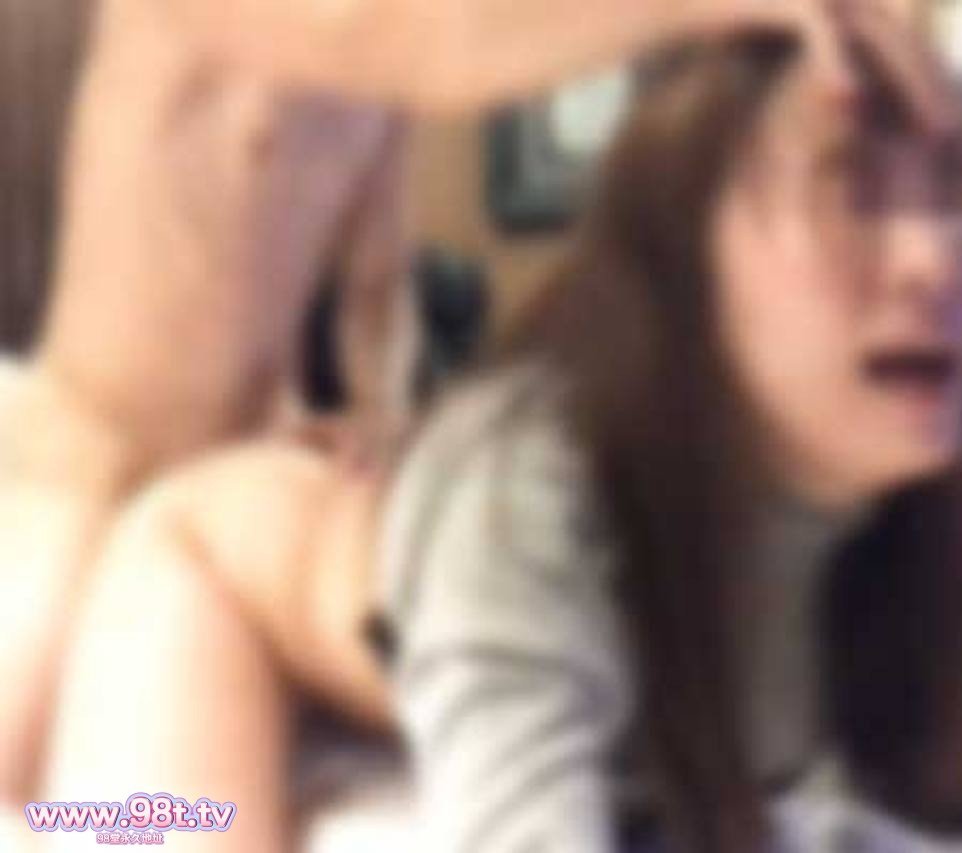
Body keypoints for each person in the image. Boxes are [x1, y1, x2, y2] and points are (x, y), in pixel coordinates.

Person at [43, 3, 962, 853]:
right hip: (119, 501)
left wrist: (368, 412)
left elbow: (369, 265)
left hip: (294, 479)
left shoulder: (843, 515)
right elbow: (413, 39)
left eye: (948, 195)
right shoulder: (230, 20)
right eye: (851, 188)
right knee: (114, 828)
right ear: (682, 250)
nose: (932, 260)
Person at [1, 0, 843, 822]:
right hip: (93, 460)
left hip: (243, 473)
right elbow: (439, 47)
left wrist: (377, 416)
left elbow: (376, 276)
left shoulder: (375, 70)